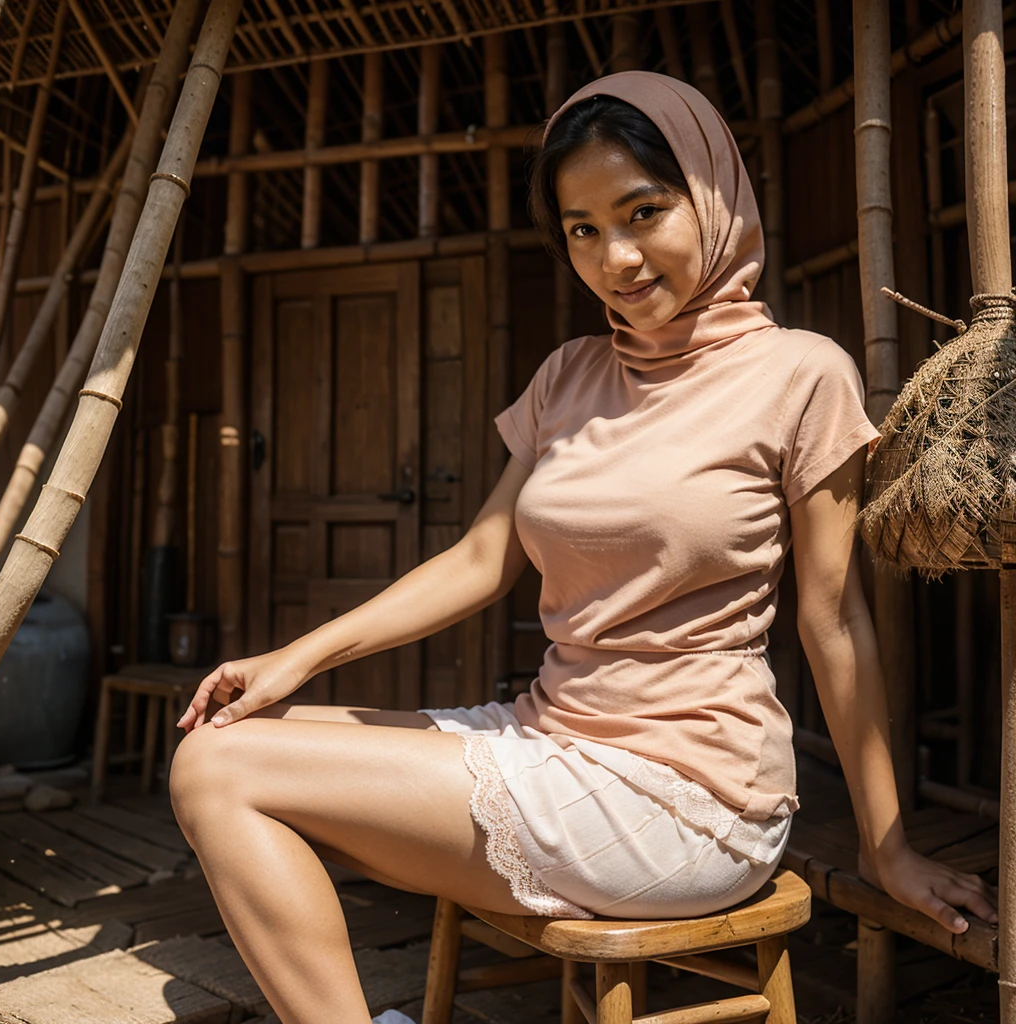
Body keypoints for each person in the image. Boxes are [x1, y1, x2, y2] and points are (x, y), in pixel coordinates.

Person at [169, 72, 997, 1024]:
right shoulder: (569, 373)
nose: (618, 257)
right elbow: (481, 560)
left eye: (644, 212)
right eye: (583, 229)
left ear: (715, 195)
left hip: (688, 790)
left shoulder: (800, 373)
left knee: (218, 773)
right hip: (551, 733)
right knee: (225, 741)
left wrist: (885, 843)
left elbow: (834, 617)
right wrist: (293, 659)